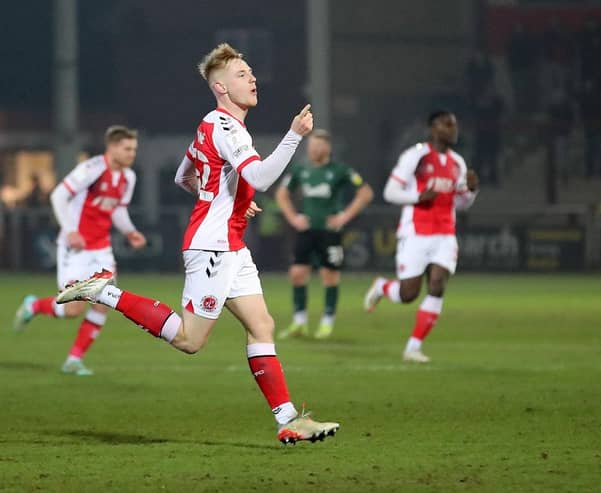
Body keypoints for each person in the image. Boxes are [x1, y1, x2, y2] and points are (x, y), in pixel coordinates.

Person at [54, 43, 339, 444]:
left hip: (230, 244)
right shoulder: (225, 126)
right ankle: (106, 293)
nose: (253, 78)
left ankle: (287, 419)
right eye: (242, 75)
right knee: (190, 340)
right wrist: (292, 137)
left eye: (251, 72)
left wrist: (231, 197)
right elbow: (258, 177)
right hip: (213, 247)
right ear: (221, 87)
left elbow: (185, 177)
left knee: (262, 325)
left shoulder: (213, 126)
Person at [12, 127, 146, 375]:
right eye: (127, 148)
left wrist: (129, 231)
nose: (132, 154)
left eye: (134, 149)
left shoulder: (128, 177)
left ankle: (73, 360)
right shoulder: (93, 168)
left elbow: (117, 209)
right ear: (113, 147)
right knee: (73, 309)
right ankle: (33, 307)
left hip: (102, 250)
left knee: (103, 303)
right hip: (76, 248)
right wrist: (71, 230)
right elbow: (59, 195)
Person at [363, 110, 479, 363]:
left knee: (437, 285)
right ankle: (383, 287)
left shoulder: (457, 162)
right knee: (408, 294)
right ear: (432, 128)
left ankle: (413, 347)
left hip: (445, 233)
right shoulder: (415, 156)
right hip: (415, 231)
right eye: (447, 124)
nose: (452, 129)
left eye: (454, 125)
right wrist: (417, 197)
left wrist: (470, 192)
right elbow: (390, 192)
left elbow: (461, 203)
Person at [275, 129, 373, 339]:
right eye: (311, 146)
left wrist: (344, 217)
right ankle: (299, 322)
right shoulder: (301, 169)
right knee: (297, 273)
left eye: (317, 146)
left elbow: (365, 193)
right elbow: (282, 193)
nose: (313, 150)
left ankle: (327, 322)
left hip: (329, 232)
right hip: (306, 230)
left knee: (329, 276)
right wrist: (293, 218)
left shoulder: (340, 170)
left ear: (327, 148)